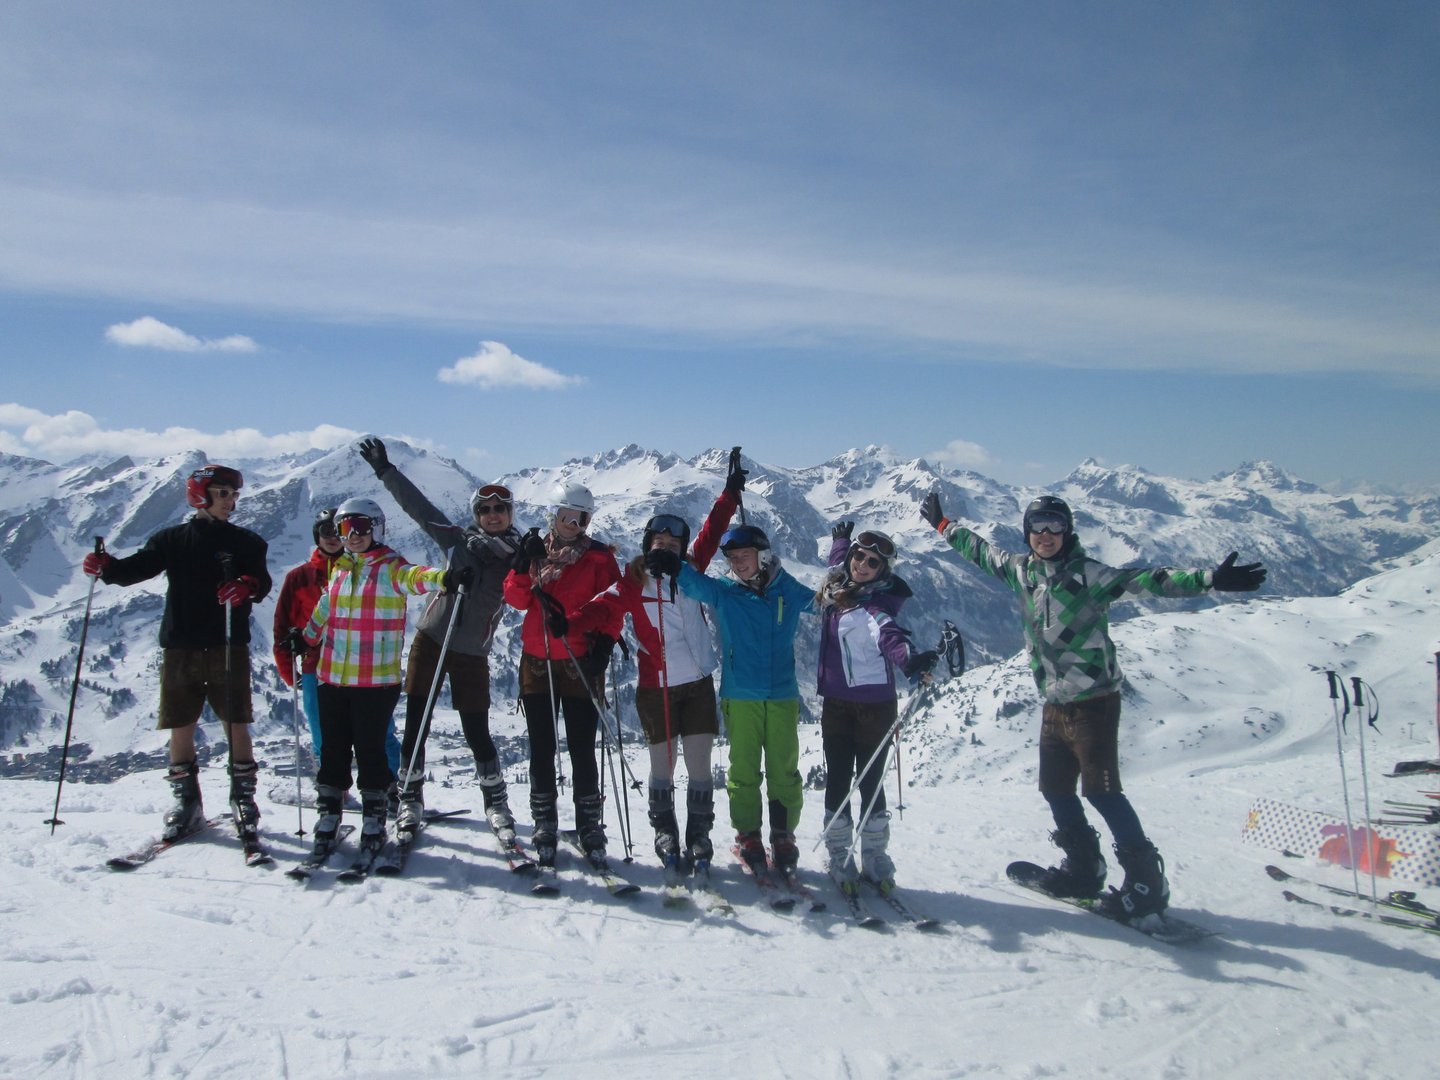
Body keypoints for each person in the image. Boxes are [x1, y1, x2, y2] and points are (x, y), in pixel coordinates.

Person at [921, 491, 1266, 919]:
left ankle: (1146, 883)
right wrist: (943, 525)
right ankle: (1084, 867)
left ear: (1068, 532)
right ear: (1026, 533)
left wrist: (1211, 580)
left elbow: (1150, 580)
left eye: (1056, 526)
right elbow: (981, 552)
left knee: (1102, 792)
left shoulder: (1089, 576)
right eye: (1038, 526)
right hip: (1054, 702)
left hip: (1095, 702)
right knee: (1055, 788)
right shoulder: (1021, 571)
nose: (1046, 534)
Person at [560, 455, 744, 875]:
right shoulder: (633, 580)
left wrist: (731, 493)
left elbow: (713, 529)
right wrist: (567, 622)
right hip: (655, 687)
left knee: (699, 765)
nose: (666, 548)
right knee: (663, 765)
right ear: (647, 545)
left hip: (698, 683)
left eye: (673, 544)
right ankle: (665, 830)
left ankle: (699, 834)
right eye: (658, 542)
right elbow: (602, 607)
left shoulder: (692, 569)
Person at [82, 464, 271, 841]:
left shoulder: (248, 543)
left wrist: (248, 585)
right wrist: (107, 568)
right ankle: (187, 802)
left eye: (233, 494)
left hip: (227, 643)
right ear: (200, 495)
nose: (230, 501)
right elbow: (136, 570)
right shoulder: (171, 540)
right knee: (181, 724)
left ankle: (242, 799)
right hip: (183, 644)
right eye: (223, 493)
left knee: (236, 722)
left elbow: (262, 582)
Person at [355, 436, 524, 842]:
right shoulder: (458, 541)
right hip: (432, 640)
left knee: (476, 729)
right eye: (485, 509)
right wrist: (386, 471)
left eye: (500, 508)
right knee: (417, 722)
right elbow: (419, 509)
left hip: (472, 653)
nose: (493, 515)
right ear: (476, 515)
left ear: (510, 513)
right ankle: (410, 797)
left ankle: (496, 802)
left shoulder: (520, 557)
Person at [297, 498, 458, 857]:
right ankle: (329, 815)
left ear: (377, 529)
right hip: (331, 678)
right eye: (344, 528)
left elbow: (415, 576)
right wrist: (305, 637)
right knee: (333, 750)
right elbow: (324, 609)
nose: (352, 536)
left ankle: (373, 817)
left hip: (374, 681)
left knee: (370, 750)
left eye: (360, 527)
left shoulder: (390, 567)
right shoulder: (340, 569)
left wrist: (443, 578)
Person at [674, 522, 817, 875]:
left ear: (763, 556)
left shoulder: (786, 588)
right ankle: (748, 835)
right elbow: (695, 584)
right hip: (740, 695)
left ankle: (783, 836)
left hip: (782, 694)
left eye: (745, 556)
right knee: (743, 769)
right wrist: (671, 562)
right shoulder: (726, 591)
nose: (738, 563)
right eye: (733, 558)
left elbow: (823, 604)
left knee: (784, 769)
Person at [502, 482, 623, 865]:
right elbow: (517, 599)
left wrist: (605, 643)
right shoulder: (536, 552)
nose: (572, 524)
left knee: (582, 747)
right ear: (552, 516)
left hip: (580, 660)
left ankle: (589, 825)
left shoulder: (600, 558)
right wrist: (521, 565)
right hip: (538, 661)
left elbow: (614, 604)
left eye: (580, 519)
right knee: (542, 747)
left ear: (588, 521)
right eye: (566, 516)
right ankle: (545, 822)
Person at [815, 524, 937, 891]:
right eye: (859, 556)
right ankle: (839, 851)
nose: (862, 565)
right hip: (836, 704)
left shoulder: (873, 606)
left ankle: (874, 853)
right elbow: (839, 563)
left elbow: (889, 635)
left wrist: (909, 661)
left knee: (870, 780)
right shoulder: (839, 583)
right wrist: (840, 541)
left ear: (883, 571)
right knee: (838, 777)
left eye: (873, 562)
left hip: (873, 708)